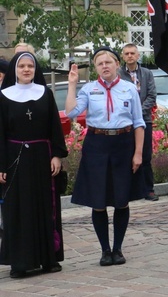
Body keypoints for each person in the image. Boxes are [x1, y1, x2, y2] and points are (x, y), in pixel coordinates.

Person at [65, 47, 146, 267]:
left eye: (109, 62)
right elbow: (72, 112)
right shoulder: (89, 89)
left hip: (123, 144)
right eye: (100, 63)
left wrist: (137, 153)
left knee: (121, 199)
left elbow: (139, 123)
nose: (105, 66)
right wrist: (72, 84)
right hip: (97, 145)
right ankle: (105, 250)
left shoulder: (129, 89)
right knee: (98, 200)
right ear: (95, 68)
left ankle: (118, 248)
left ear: (117, 64)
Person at [0, 52, 67, 278]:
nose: (26, 70)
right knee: (18, 209)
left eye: (30, 66)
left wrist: (57, 155)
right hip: (13, 159)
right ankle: (20, 263)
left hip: (42, 157)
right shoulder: (3, 96)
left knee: (45, 207)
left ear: (35, 69)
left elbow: (54, 127)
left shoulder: (45, 93)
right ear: (15, 70)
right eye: (22, 66)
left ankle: (49, 258)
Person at [118, 43, 159, 201]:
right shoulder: (118, 74)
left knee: (145, 155)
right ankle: (129, 190)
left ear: (138, 56)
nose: (129, 56)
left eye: (132, 53)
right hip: (125, 122)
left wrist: (138, 112)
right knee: (127, 155)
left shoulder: (147, 73)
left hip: (144, 120)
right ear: (122, 56)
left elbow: (152, 95)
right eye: (126, 53)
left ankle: (148, 189)